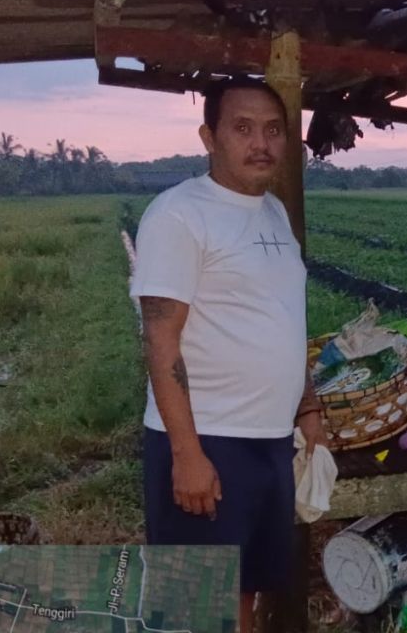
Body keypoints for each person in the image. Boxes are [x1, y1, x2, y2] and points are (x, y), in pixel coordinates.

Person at [130, 75, 324, 632]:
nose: (260, 143)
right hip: (208, 439)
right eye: (242, 129)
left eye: (272, 130)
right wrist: (187, 456)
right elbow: (160, 341)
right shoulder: (179, 215)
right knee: (200, 606)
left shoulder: (273, 214)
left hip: (267, 442)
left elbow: (285, 319)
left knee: (244, 589)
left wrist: (307, 408)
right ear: (208, 137)